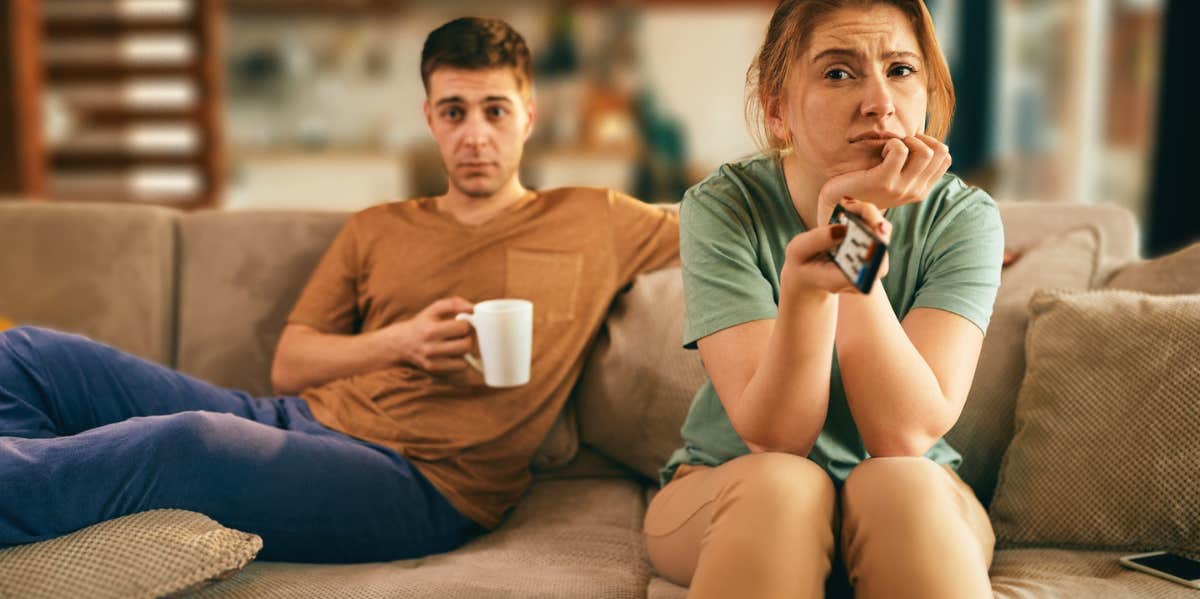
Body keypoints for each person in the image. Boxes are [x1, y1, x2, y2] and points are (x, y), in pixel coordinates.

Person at [0, 17, 678, 563]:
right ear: (430, 117)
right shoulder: (377, 227)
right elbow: (292, 363)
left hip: (423, 485)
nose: (475, 134)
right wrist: (399, 342)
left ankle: (29, 484)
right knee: (30, 353)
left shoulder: (598, 218)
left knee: (189, 444)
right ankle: (33, 489)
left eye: (495, 110)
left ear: (528, 114)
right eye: (454, 111)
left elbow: (734, 214)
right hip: (296, 420)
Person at [642, 1, 1002, 598]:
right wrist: (814, 281)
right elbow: (778, 438)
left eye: (901, 70)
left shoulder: (963, 218)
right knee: (781, 485)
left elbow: (904, 435)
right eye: (839, 72)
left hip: (912, 494)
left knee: (898, 483)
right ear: (777, 109)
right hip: (734, 488)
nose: (880, 103)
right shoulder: (723, 207)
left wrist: (849, 233)